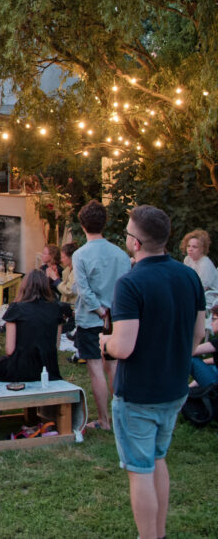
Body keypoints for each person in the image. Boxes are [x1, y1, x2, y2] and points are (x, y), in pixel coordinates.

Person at [100, 205, 206, 539]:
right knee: (158, 458)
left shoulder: (131, 284)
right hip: (174, 388)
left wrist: (105, 344)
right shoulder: (189, 276)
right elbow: (198, 335)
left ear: (135, 242)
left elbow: (124, 347)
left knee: (140, 470)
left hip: (139, 394)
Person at [72, 199, 130, 430]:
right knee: (113, 366)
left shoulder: (80, 254)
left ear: (83, 226)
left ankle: (105, 420)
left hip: (92, 318)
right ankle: (118, 417)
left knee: (96, 368)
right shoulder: (120, 254)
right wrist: (110, 311)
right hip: (115, 317)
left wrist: (99, 310)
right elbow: (126, 285)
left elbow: (84, 291)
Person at [0, 269, 63, 383]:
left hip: (21, 369)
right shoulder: (56, 309)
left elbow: (9, 350)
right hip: (48, 368)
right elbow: (55, 345)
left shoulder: (16, 308)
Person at [181, 229, 218, 309]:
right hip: (193, 293)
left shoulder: (205, 264)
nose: (190, 249)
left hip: (209, 297)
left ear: (202, 249)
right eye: (188, 246)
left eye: (194, 247)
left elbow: (202, 288)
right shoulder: (188, 259)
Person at [190, 306, 218, 388]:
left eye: (214, 319)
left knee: (190, 358)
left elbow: (191, 351)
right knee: (211, 367)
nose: (211, 323)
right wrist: (204, 361)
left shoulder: (216, 343)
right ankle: (190, 389)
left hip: (215, 384)